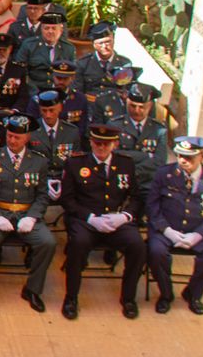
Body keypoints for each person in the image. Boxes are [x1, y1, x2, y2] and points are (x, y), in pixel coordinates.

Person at [59, 124, 145, 321]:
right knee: (77, 244)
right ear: (90, 142)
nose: (102, 148)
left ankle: (129, 297)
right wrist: (90, 218)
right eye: (97, 143)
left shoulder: (125, 164)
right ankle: (71, 297)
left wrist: (125, 217)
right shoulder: (76, 164)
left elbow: (137, 198)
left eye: (106, 144)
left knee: (138, 246)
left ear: (114, 144)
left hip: (116, 220)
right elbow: (67, 199)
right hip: (86, 220)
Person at [0, 115, 55, 314]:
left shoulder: (38, 161)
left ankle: (33, 289)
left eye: (17, 137)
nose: (12, 141)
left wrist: (32, 217)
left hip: (26, 214)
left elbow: (42, 196)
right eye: (9, 136)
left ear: (27, 137)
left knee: (48, 242)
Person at [147, 136, 203, 315]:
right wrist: (166, 230)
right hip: (167, 229)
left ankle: (193, 294)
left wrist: (198, 235)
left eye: (189, 157)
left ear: (202, 156)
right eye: (180, 156)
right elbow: (152, 205)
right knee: (155, 252)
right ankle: (166, 294)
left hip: (197, 231)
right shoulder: (164, 174)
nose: (184, 160)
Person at [14, 10, 76, 92]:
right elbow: (20, 71)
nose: (50, 31)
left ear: (61, 31)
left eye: (54, 28)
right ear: (41, 30)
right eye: (46, 28)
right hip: (34, 90)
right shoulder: (29, 45)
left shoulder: (69, 48)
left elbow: (73, 74)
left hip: (59, 90)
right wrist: (34, 92)